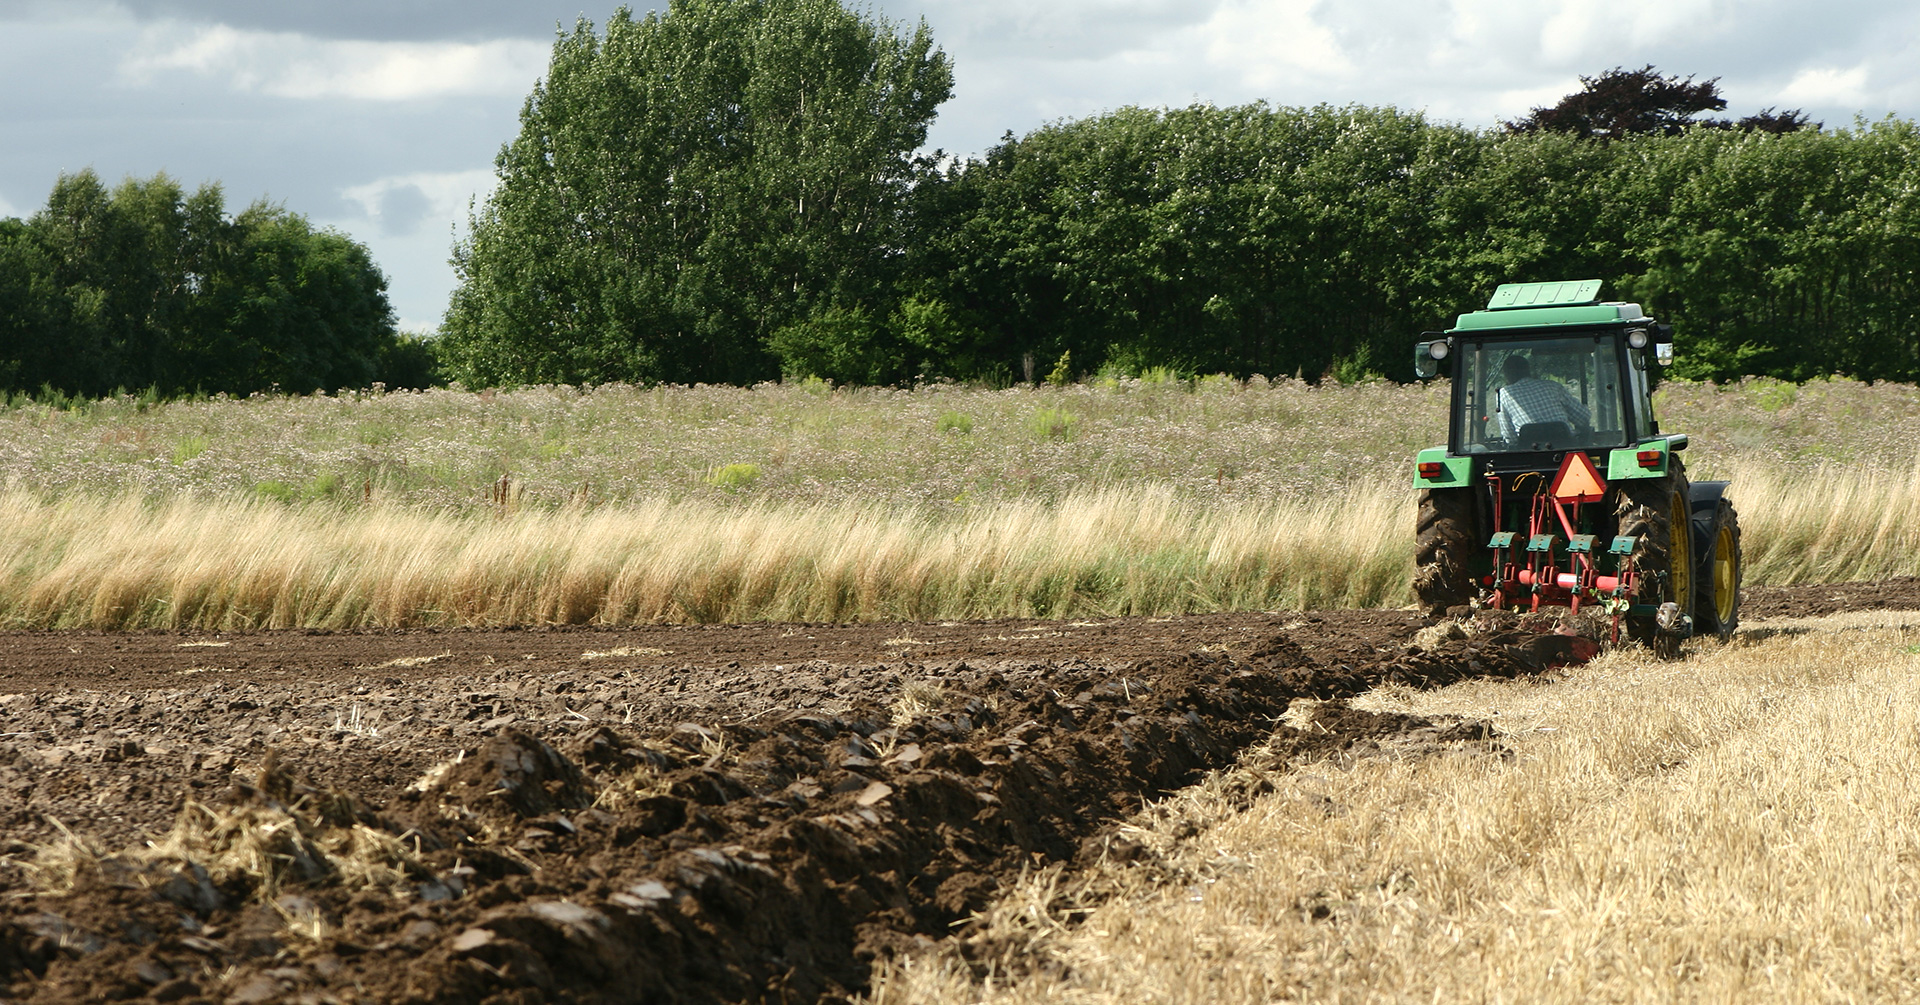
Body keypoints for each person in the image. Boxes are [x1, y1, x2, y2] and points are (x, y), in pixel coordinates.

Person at [1496, 354, 1590, 441]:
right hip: (1565, 446)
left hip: (1529, 451)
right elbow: (1583, 418)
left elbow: (1509, 436)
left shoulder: (1503, 394)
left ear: (1507, 374)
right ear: (1528, 370)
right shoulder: (1553, 386)